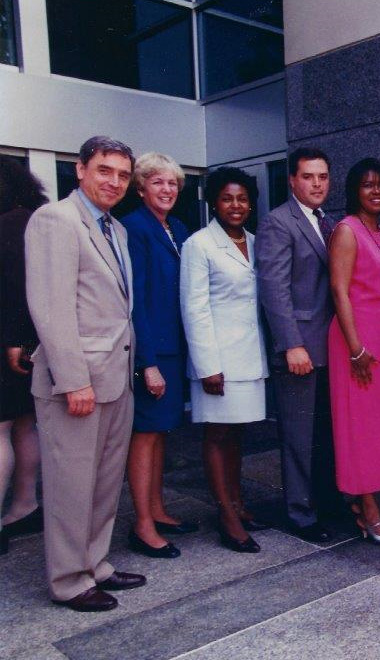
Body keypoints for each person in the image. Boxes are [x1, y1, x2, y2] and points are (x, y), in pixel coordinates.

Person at [25, 136, 145, 611]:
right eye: (104, 170)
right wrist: (74, 380)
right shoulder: (56, 220)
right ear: (79, 170)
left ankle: (96, 564)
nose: (114, 181)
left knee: (102, 483)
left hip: (117, 377)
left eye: (121, 174)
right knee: (71, 487)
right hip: (77, 384)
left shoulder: (116, 230)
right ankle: (70, 580)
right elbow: (51, 309)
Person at [256, 147, 345, 543]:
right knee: (298, 435)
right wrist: (291, 344)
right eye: (308, 177)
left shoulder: (331, 223)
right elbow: (274, 289)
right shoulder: (278, 222)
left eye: (322, 177)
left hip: (332, 349)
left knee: (326, 432)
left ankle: (326, 503)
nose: (316, 184)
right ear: (292, 180)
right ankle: (300, 513)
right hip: (300, 351)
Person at [180, 167, 268, 554]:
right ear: (214, 202)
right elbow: (194, 308)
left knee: (236, 435)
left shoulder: (255, 241)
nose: (236, 205)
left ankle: (237, 503)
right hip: (217, 361)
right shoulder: (199, 244)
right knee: (216, 434)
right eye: (228, 198)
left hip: (249, 356)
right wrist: (207, 366)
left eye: (243, 199)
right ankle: (227, 518)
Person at [328, 158, 380, 546]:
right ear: (354, 192)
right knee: (360, 427)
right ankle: (366, 509)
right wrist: (355, 348)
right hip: (358, 339)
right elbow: (340, 292)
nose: (376, 191)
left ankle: (370, 502)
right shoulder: (347, 231)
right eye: (367, 185)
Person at [120, 153, 195, 560]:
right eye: (158, 182)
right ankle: (142, 524)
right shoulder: (135, 228)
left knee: (162, 433)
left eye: (173, 184)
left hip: (175, 348)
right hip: (152, 351)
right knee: (145, 436)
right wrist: (146, 362)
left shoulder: (178, 227)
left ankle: (158, 509)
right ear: (141, 187)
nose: (167, 190)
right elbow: (135, 304)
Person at [0, 156, 46, 555]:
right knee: (24, 424)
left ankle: (17, 510)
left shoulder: (11, 223)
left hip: (9, 344)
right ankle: (24, 506)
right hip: (24, 343)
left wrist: (17, 338)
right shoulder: (31, 219)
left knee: (2, 430)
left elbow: (16, 289)